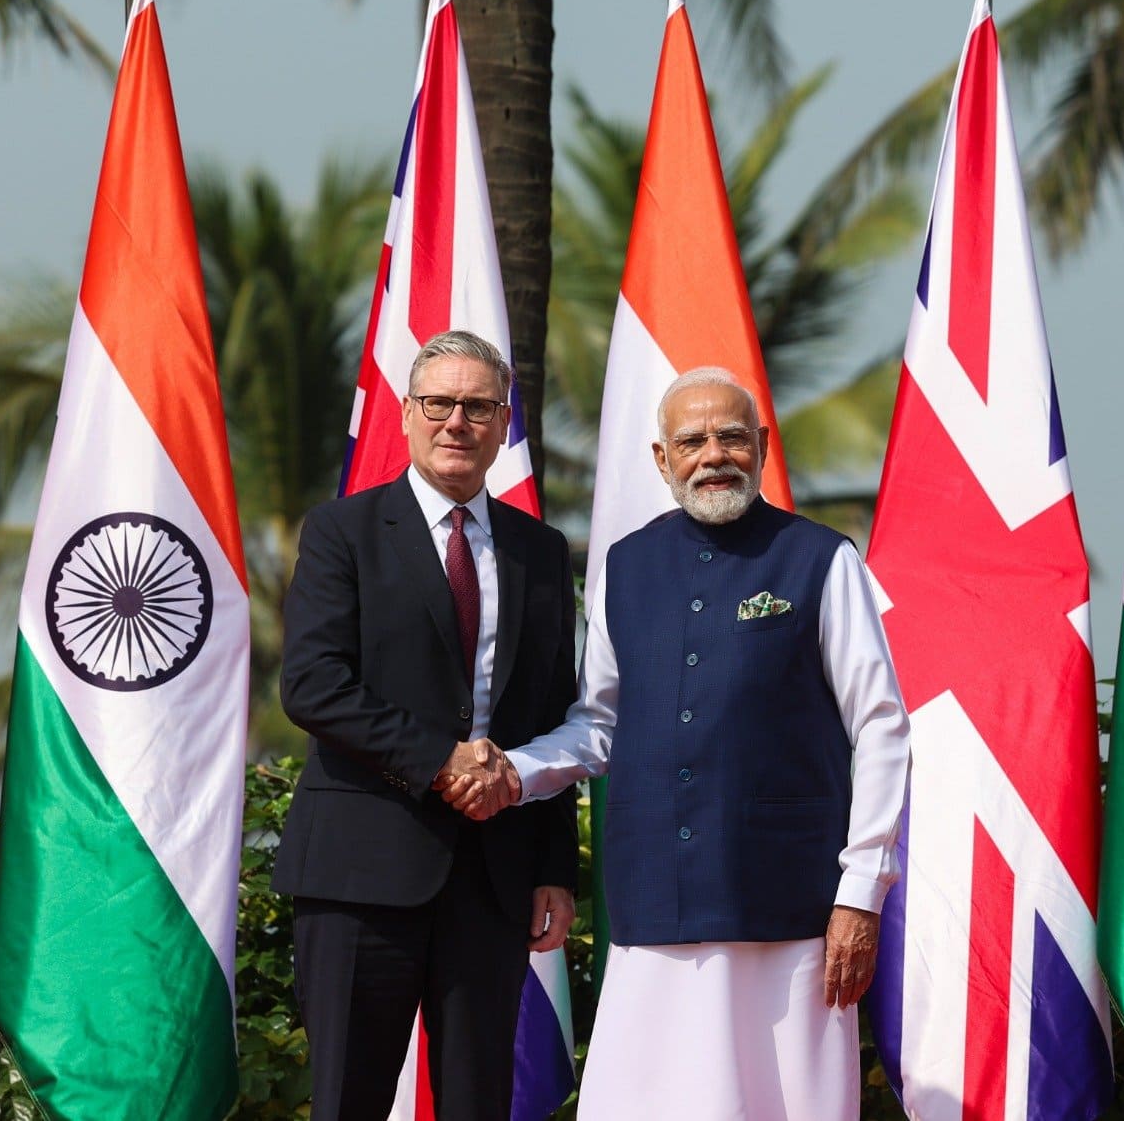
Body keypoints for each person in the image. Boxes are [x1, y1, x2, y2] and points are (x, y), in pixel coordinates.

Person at [447, 366, 911, 1120]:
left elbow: (882, 727)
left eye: (732, 436)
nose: (713, 454)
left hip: (788, 907)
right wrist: (514, 771)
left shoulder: (823, 561)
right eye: (691, 440)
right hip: (652, 903)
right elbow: (598, 724)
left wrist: (861, 893)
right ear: (662, 460)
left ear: (761, 447)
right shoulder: (621, 567)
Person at [273, 330, 579, 1121]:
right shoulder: (342, 531)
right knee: (349, 1102)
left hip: (495, 877)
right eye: (438, 403)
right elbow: (311, 686)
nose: (456, 422)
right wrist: (441, 759)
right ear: (406, 414)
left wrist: (555, 868)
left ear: (503, 421)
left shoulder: (540, 551)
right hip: (359, 873)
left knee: (481, 1103)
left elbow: (550, 710)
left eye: (477, 406)